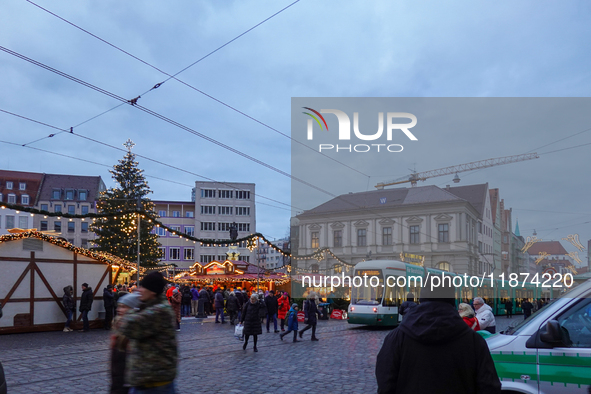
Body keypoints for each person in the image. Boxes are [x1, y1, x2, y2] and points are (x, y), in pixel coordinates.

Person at [376, 275, 501, 394]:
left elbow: (385, 384)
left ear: (421, 298)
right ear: (452, 300)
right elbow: (489, 386)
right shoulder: (474, 341)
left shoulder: (397, 337)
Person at [118, 272, 177, 394]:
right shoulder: (149, 307)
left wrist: (130, 308)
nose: (139, 290)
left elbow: (129, 326)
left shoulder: (160, 311)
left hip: (155, 383)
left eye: (143, 287)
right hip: (146, 380)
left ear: (152, 291)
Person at [110, 292, 141, 394]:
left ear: (133, 309)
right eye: (119, 306)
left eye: (123, 307)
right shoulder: (119, 329)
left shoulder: (136, 332)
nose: (119, 309)